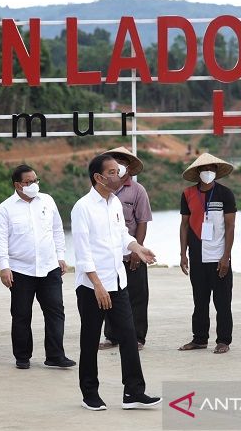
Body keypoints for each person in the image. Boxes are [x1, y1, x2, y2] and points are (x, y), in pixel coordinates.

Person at [72, 154, 160, 411]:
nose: (119, 174)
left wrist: (137, 247)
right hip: (92, 287)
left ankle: (133, 393)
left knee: (129, 337)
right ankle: (89, 393)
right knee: (89, 340)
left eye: (118, 170)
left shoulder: (114, 204)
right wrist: (97, 284)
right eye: (112, 171)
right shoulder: (83, 208)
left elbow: (122, 235)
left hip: (118, 282)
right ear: (98, 178)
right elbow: (83, 251)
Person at [0, 164, 75, 370]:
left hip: (49, 268)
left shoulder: (47, 201)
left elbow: (57, 230)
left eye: (36, 180)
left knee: (56, 312)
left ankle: (55, 355)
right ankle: (22, 357)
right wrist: (4, 267)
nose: (34, 185)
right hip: (21, 270)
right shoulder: (6, 208)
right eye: (28, 182)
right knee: (21, 314)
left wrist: (61, 257)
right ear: (17, 185)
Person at [178, 153, 236, 354]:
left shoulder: (225, 194)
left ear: (217, 172)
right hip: (197, 257)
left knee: (222, 302)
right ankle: (199, 339)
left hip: (219, 258)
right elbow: (184, 225)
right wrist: (183, 254)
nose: (207, 172)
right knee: (199, 301)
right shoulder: (188, 194)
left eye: (211, 169)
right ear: (197, 172)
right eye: (203, 169)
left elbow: (230, 226)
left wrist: (226, 256)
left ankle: (223, 341)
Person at [98, 147, 152, 351]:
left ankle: (138, 337)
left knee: (137, 296)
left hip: (132, 252)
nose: (119, 165)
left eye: (123, 162)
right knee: (111, 294)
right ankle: (112, 336)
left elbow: (143, 222)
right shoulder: (102, 190)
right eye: (115, 161)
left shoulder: (138, 191)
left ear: (129, 167)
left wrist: (137, 251)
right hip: (110, 254)